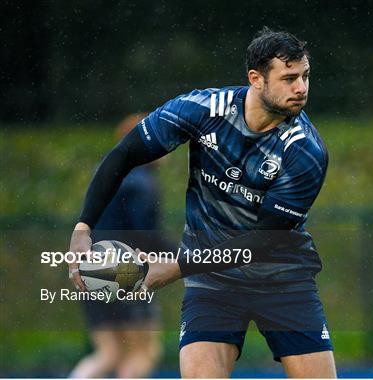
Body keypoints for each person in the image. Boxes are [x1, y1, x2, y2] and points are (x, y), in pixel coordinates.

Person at [69, 27, 337, 378]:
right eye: (289, 78)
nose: (301, 88)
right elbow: (123, 156)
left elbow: (264, 241)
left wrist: (176, 267)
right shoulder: (203, 109)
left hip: (283, 279)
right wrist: (83, 226)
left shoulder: (305, 151)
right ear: (256, 79)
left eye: (304, 77)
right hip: (213, 283)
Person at [70, 114, 163, 378]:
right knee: (143, 352)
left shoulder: (104, 175)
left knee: (108, 353)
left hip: (90, 266)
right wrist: (183, 257)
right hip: (125, 270)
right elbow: (145, 233)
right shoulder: (142, 182)